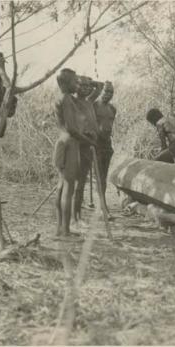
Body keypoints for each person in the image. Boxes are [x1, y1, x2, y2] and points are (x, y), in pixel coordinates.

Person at [53, 68, 82, 236]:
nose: (77, 85)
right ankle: (65, 230)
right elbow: (71, 128)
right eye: (75, 82)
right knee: (68, 188)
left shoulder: (63, 98)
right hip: (70, 143)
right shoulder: (66, 100)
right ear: (65, 83)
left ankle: (60, 228)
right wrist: (87, 140)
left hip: (62, 141)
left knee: (61, 185)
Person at [72, 75, 102, 222]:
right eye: (82, 86)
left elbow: (100, 86)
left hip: (89, 146)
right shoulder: (73, 102)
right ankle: (74, 217)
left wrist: (91, 82)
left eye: (87, 86)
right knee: (76, 183)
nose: (86, 89)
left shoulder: (89, 101)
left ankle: (77, 215)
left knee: (82, 182)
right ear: (75, 86)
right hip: (78, 145)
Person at [94, 81, 116, 201]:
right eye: (106, 91)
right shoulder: (93, 106)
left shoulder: (112, 108)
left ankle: (101, 203)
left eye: (111, 92)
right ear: (101, 90)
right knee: (99, 175)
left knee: (104, 175)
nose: (109, 94)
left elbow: (110, 126)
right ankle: (101, 205)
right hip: (95, 142)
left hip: (107, 143)